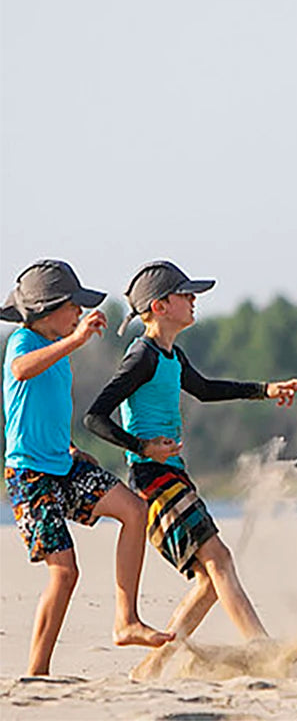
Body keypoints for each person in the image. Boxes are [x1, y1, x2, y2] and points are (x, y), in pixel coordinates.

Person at [83, 260, 297, 678]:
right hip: (153, 479)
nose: (194, 300)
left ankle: (152, 666)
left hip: (173, 476)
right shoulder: (142, 356)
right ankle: (262, 649)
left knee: (209, 580)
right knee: (219, 559)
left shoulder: (171, 355)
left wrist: (265, 390)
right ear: (160, 306)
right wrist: (141, 446)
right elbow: (95, 417)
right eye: (186, 294)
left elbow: (205, 389)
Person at [1, 260, 174, 676]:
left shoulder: (57, 356)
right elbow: (21, 372)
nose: (79, 313)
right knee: (65, 572)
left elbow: (44, 412)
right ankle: (37, 672)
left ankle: (126, 619)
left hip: (64, 463)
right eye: (73, 306)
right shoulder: (23, 342)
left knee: (134, 511)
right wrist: (76, 340)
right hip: (29, 475)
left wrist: (72, 448)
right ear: (46, 309)